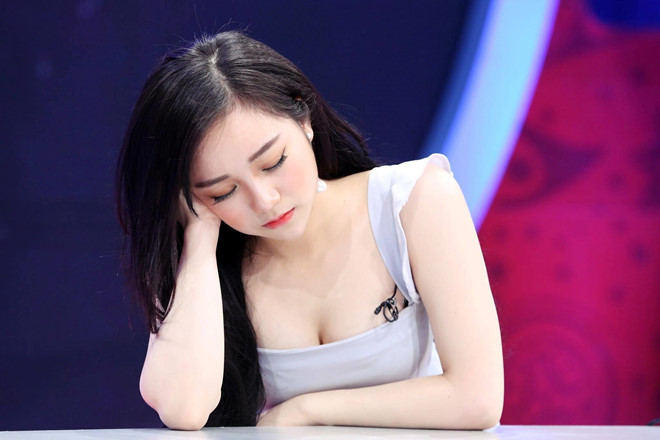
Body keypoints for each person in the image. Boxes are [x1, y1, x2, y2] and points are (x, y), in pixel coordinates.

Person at [116, 31, 503, 430]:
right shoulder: (206, 264)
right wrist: (198, 241)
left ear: (304, 119)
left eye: (273, 162)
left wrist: (307, 410)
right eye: (223, 191)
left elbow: (477, 399)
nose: (264, 200)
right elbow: (184, 410)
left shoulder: (413, 201)